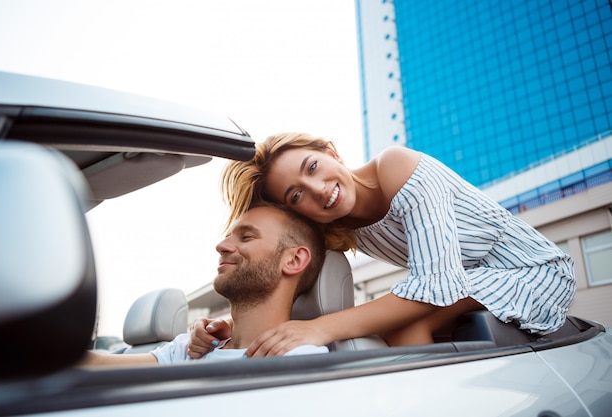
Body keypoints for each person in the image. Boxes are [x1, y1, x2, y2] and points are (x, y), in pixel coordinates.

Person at [188, 132, 576, 358]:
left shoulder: (397, 165)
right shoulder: (332, 221)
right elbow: (281, 281)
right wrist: (232, 326)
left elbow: (434, 286)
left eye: (312, 167)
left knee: (411, 322)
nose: (319, 190)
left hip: (532, 271)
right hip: (466, 284)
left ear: (330, 152)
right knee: (395, 325)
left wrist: (322, 329)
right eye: (295, 196)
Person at [79, 203, 328, 367]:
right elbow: (94, 367)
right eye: (229, 235)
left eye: (247, 236)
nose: (221, 245)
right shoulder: (190, 348)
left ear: (294, 260)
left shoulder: (299, 361)